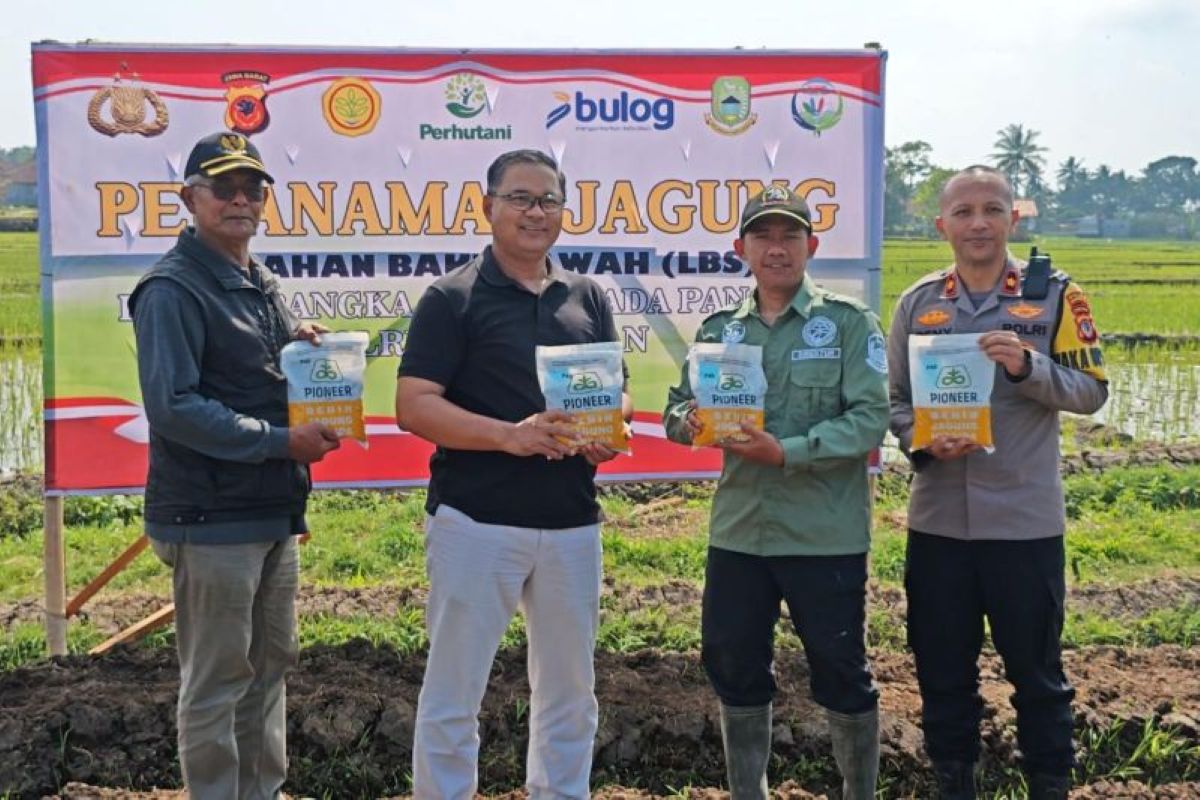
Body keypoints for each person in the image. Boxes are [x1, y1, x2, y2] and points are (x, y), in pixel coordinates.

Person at [396, 149, 631, 799]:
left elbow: (618, 392)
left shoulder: (586, 296)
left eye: (549, 200)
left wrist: (609, 428)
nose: (536, 212)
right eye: (520, 198)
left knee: (571, 692)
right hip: (477, 521)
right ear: (488, 207)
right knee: (455, 690)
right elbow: (413, 405)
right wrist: (510, 436)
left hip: (571, 524)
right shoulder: (452, 298)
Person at [129, 131, 341, 800]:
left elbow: (253, 369)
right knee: (218, 679)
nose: (241, 200)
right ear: (190, 198)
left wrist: (298, 345)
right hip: (210, 515)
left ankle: (262, 792)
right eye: (224, 188)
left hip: (272, 510)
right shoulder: (172, 289)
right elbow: (175, 407)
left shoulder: (259, 282)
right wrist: (280, 442)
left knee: (270, 667)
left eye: (253, 188)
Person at [887, 165, 1109, 800]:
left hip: (1023, 526)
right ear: (943, 226)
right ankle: (953, 783)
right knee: (941, 673)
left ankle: (1049, 784)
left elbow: (1092, 391)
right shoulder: (918, 304)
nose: (978, 223)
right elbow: (894, 403)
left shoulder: (1057, 296)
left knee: (1037, 675)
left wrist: (1028, 367)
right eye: (963, 212)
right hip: (939, 527)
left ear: (1015, 218)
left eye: (992, 210)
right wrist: (921, 438)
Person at [663, 185, 890, 799]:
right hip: (741, 532)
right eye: (762, 235)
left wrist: (787, 451)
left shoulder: (847, 324)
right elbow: (676, 409)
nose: (777, 247)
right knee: (733, 666)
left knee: (840, 670)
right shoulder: (720, 332)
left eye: (790, 235)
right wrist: (694, 421)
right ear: (741, 249)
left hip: (824, 535)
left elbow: (871, 419)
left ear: (811, 246)